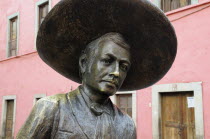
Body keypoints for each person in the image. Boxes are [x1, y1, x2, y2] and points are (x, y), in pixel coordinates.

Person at [17, 0, 177, 138]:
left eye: (123, 66)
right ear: (84, 63)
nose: (116, 72)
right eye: (107, 61)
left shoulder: (126, 125)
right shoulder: (51, 109)